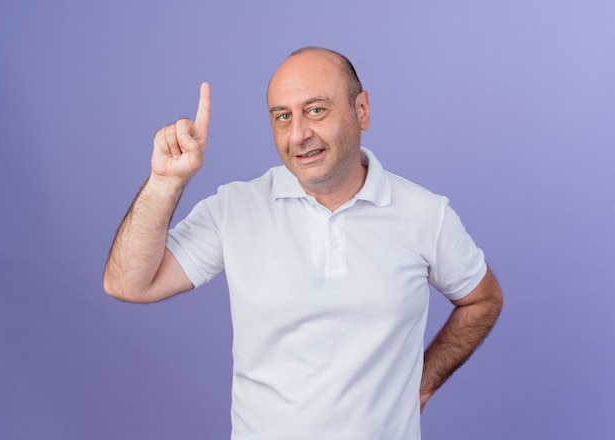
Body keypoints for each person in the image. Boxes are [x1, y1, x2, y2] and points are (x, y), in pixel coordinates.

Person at [103, 47, 503, 439]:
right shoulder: (235, 208)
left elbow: (483, 299)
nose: (299, 135)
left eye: (316, 110)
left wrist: (424, 381)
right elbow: (128, 283)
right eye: (282, 117)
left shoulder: (425, 214)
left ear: (360, 110)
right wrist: (165, 182)